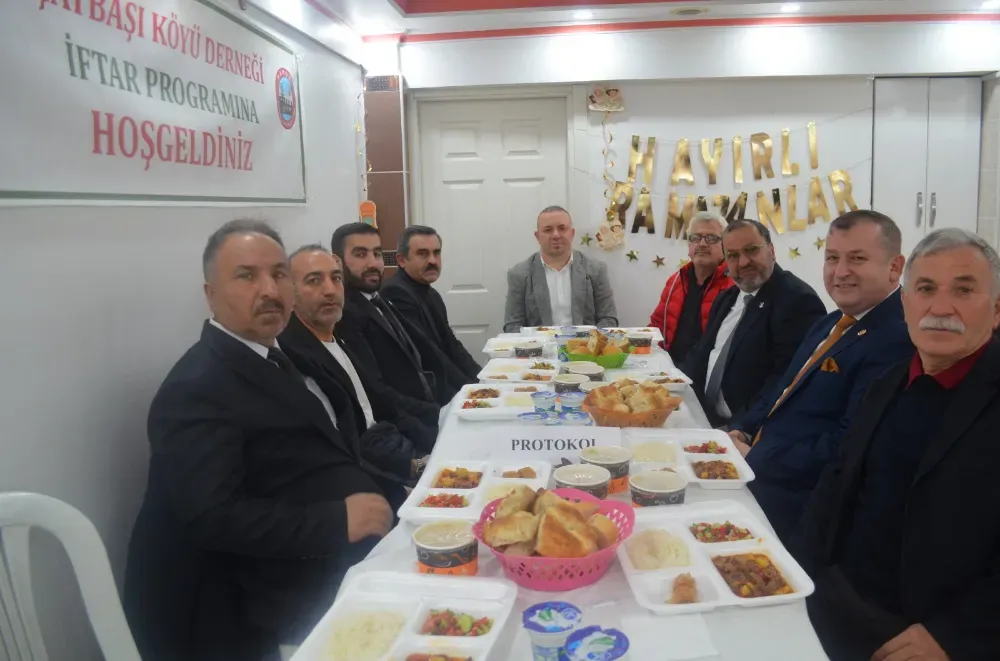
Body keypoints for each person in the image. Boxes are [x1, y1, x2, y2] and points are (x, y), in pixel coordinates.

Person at [124, 220, 401, 661]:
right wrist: (336, 521)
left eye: (279, 274)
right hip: (245, 601)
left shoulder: (271, 355)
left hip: (311, 557)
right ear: (211, 294)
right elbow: (211, 517)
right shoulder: (196, 387)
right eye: (247, 276)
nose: (270, 290)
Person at [793, 228, 1000, 661]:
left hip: (924, 632)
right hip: (835, 600)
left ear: (996, 309)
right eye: (925, 289)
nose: (940, 308)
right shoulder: (889, 383)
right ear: (905, 302)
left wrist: (955, 635)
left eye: (963, 290)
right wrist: (794, 570)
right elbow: (836, 483)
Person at [726, 211, 914, 540]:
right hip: (757, 468)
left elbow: (847, 446)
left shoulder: (896, 339)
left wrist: (757, 457)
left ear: (895, 267)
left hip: (796, 506)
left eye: (857, 258)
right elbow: (783, 388)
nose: (840, 272)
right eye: (832, 258)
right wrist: (741, 429)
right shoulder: (830, 322)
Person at [279, 244, 438, 478]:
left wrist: (438, 435)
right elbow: (342, 448)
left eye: (336, 278)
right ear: (289, 294)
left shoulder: (339, 338)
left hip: (395, 445)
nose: (330, 290)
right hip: (374, 471)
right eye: (314, 281)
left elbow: (384, 403)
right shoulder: (293, 356)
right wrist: (414, 467)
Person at [682, 219, 826, 428]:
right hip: (702, 415)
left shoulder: (797, 300)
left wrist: (739, 429)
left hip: (747, 429)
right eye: (733, 255)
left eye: (751, 250)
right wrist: (672, 384)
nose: (743, 262)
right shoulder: (727, 298)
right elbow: (702, 351)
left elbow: (786, 381)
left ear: (771, 251)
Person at [331, 223, 463, 406]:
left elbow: (429, 356)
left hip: (430, 402)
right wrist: (438, 412)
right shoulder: (344, 313)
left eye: (377, 254)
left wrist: (473, 388)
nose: (373, 263)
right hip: (412, 414)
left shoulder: (377, 299)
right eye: (360, 254)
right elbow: (378, 391)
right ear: (337, 262)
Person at [381, 225, 482, 383]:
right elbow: (430, 355)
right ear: (401, 260)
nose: (433, 261)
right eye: (422, 253)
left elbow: (451, 345)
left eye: (436, 253)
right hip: (425, 388)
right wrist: (469, 387)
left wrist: (482, 378)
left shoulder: (431, 293)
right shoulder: (395, 293)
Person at [503, 205, 618, 331]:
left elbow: (608, 319)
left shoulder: (596, 270)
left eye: (562, 228)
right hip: (538, 343)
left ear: (572, 233)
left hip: (584, 342)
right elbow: (512, 325)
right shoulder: (519, 274)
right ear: (537, 236)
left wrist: (586, 340)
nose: (556, 235)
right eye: (548, 230)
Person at [648, 211, 734, 362]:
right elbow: (657, 326)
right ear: (689, 245)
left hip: (708, 370)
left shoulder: (734, 286)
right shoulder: (675, 281)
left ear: (725, 246)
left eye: (712, 238)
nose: (702, 244)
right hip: (668, 367)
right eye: (696, 238)